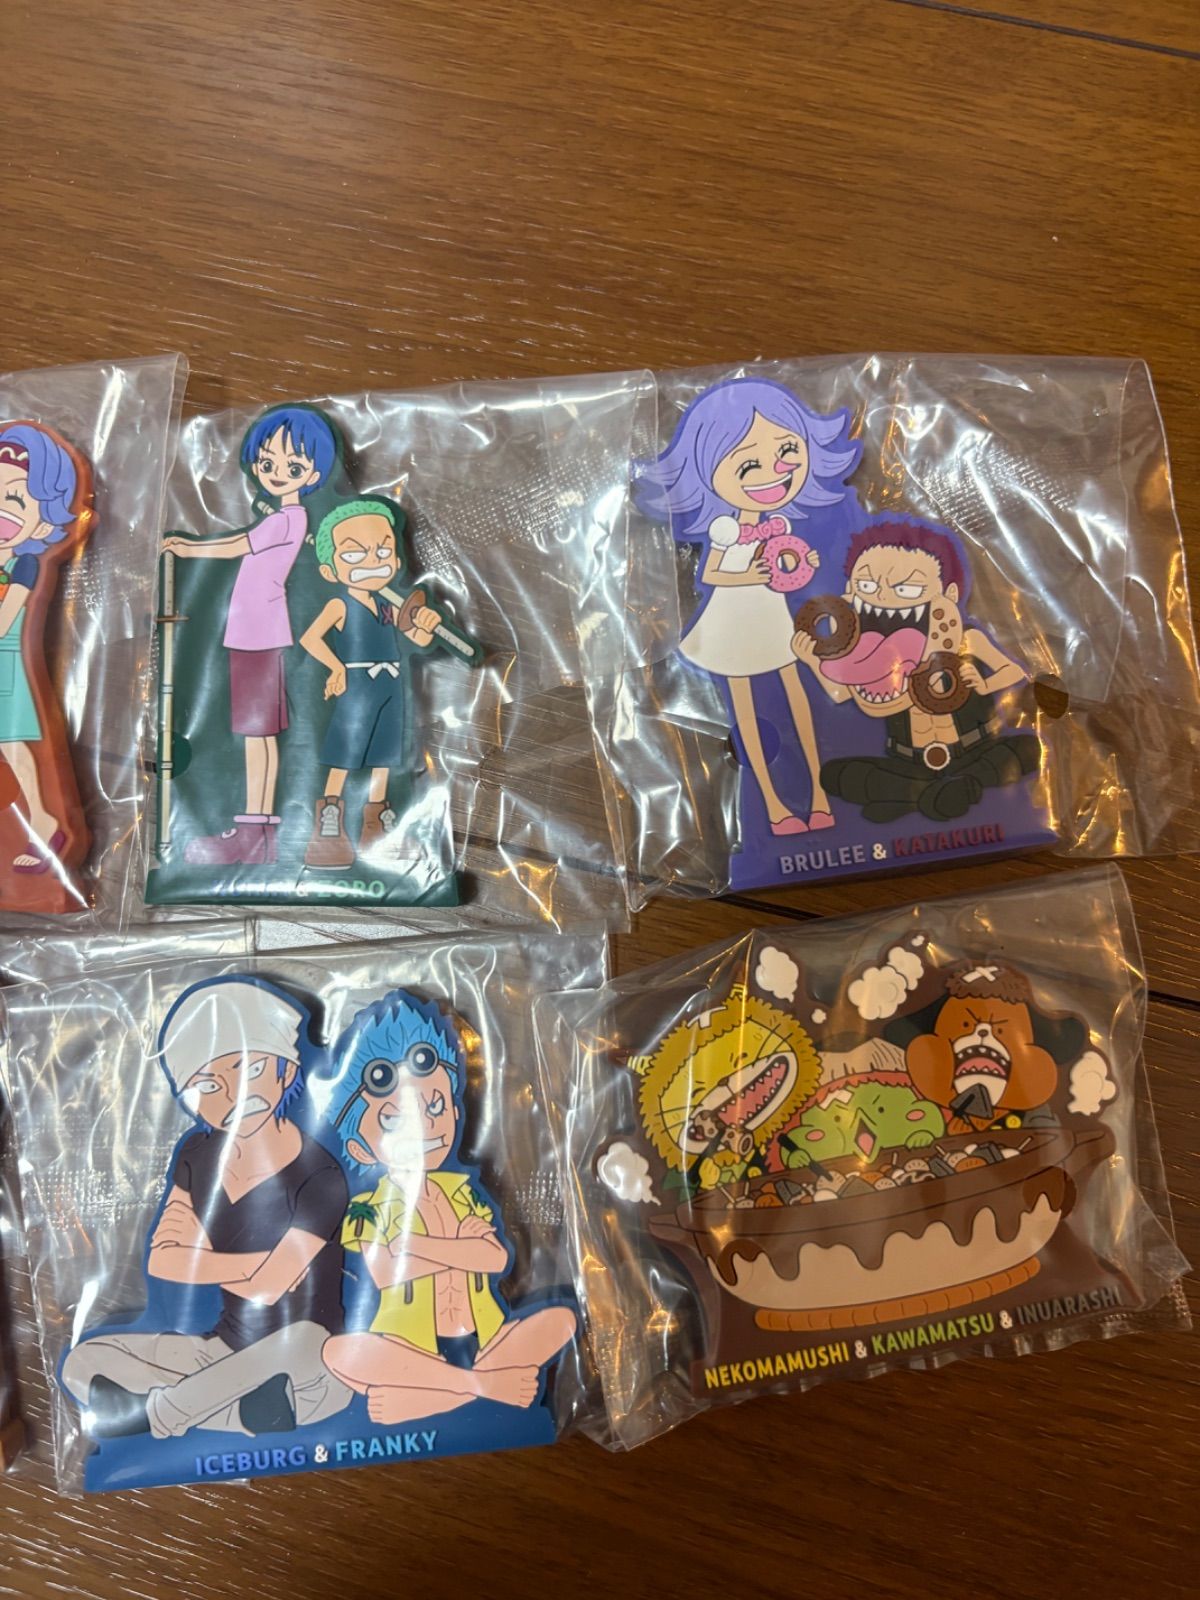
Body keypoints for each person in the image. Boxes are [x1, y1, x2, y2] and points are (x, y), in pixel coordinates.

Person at [61, 979, 352, 1441]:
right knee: (81, 1363)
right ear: (190, 1096)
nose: (236, 1093)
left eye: (252, 1068)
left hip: (310, 1367)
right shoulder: (197, 1155)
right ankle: (240, 1412)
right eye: (210, 1084)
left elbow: (266, 1289)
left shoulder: (320, 1174)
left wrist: (206, 1263)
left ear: (286, 1070)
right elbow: (164, 1260)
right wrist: (256, 1266)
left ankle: (158, 1414)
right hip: (223, 1352)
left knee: (304, 1341)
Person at [321, 993, 575, 1425]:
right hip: (409, 1347)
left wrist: (412, 1247)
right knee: (338, 1351)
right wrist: (458, 1246)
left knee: (561, 1319)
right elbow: (386, 1272)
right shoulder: (366, 1208)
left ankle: (435, 1396)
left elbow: (492, 1258)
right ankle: (482, 1385)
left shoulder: (464, 1192)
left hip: (486, 1335)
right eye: (393, 1120)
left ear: (456, 1112)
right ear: (360, 1149)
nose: (423, 1128)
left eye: (435, 1107)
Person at [634, 378, 860, 835]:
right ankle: (774, 807)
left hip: (774, 617)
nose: (772, 471)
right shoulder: (724, 530)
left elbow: (791, 562)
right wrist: (754, 573)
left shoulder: (782, 525)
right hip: (731, 622)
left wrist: (804, 564)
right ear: (706, 472)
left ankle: (820, 796)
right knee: (746, 714)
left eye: (787, 451)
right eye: (749, 464)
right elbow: (715, 572)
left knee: (798, 699)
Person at [163, 405, 338, 866]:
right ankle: (257, 829)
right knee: (256, 735)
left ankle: (256, 830)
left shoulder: (286, 519)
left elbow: (236, 545)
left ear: (313, 474)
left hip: (259, 635)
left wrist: (187, 548)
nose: (276, 472)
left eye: (292, 466)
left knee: (258, 734)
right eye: (267, 462)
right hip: (254, 633)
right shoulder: (283, 517)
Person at [794, 520, 1038, 823]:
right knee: (834, 775)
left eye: (906, 588)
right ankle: (939, 794)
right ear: (850, 592)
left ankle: (913, 798)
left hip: (974, 750)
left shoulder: (966, 640)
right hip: (909, 761)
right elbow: (841, 693)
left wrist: (985, 684)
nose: (883, 596)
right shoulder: (870, 657)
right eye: (867, 586)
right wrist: (814, 661)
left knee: (1027, 749)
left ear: (949, 594)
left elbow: (1013, 671)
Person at [299, 498, 441, 869]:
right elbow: (311, 638)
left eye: (382, 551)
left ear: (395, 560)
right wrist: (336, 667)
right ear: (330, 570)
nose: (371, 561)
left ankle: (377, 823)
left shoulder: (389, 605)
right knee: (346, 751)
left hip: (391, 683)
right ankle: (329, 823)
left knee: (384, 755)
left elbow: (417, 640)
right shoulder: (341, 605)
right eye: (353, 554)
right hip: (359, 683)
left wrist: (426, 627)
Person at [0, 423, 83, 873]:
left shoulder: (25, 564)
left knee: (14, 745)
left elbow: (5, 621)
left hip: (6, 665)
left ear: (45, 518)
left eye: (14, 501)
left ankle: (44, 820)